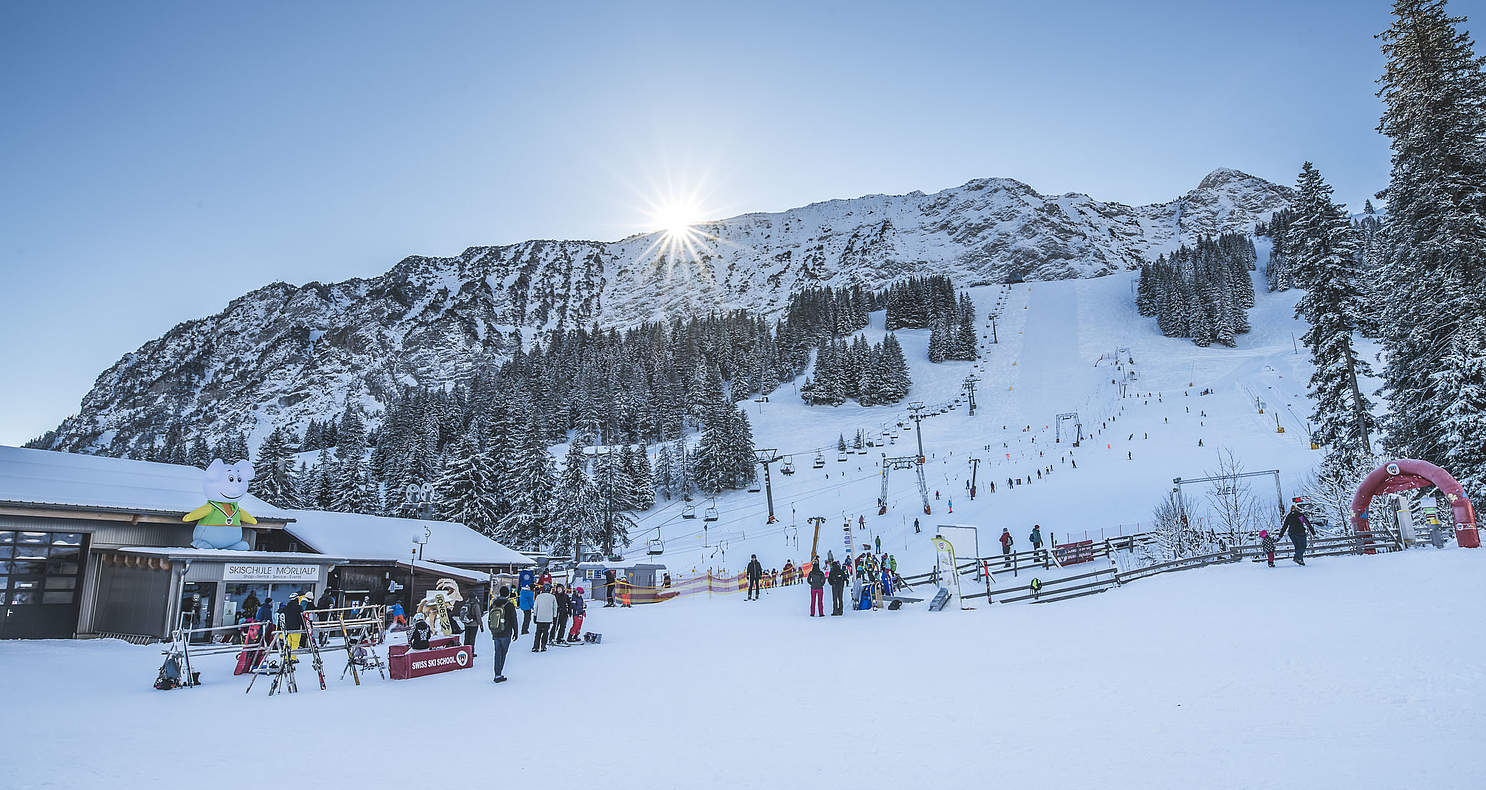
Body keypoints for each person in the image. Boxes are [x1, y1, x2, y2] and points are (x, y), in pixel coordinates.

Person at [489, 586, 518, 682]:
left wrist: (492, 629)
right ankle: (499, 674)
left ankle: (497, 673)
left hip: (496, 632)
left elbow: (490, 617)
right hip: (506, 632)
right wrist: (516, 632)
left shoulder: (493, 604)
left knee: (497, 653)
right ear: (508, 594)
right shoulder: (509, 605)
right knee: (503, 653)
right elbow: (514, 619)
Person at [532, 585, 556, 652]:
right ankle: (543, 646)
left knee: (538, 633)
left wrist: (535, 616)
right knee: (545, 633)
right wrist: (554, 616)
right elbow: (555, 608)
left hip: (539, 618)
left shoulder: (539, 596)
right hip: (548, 618)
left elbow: (535, 607)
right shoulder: (552, 597)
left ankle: (535, 647)